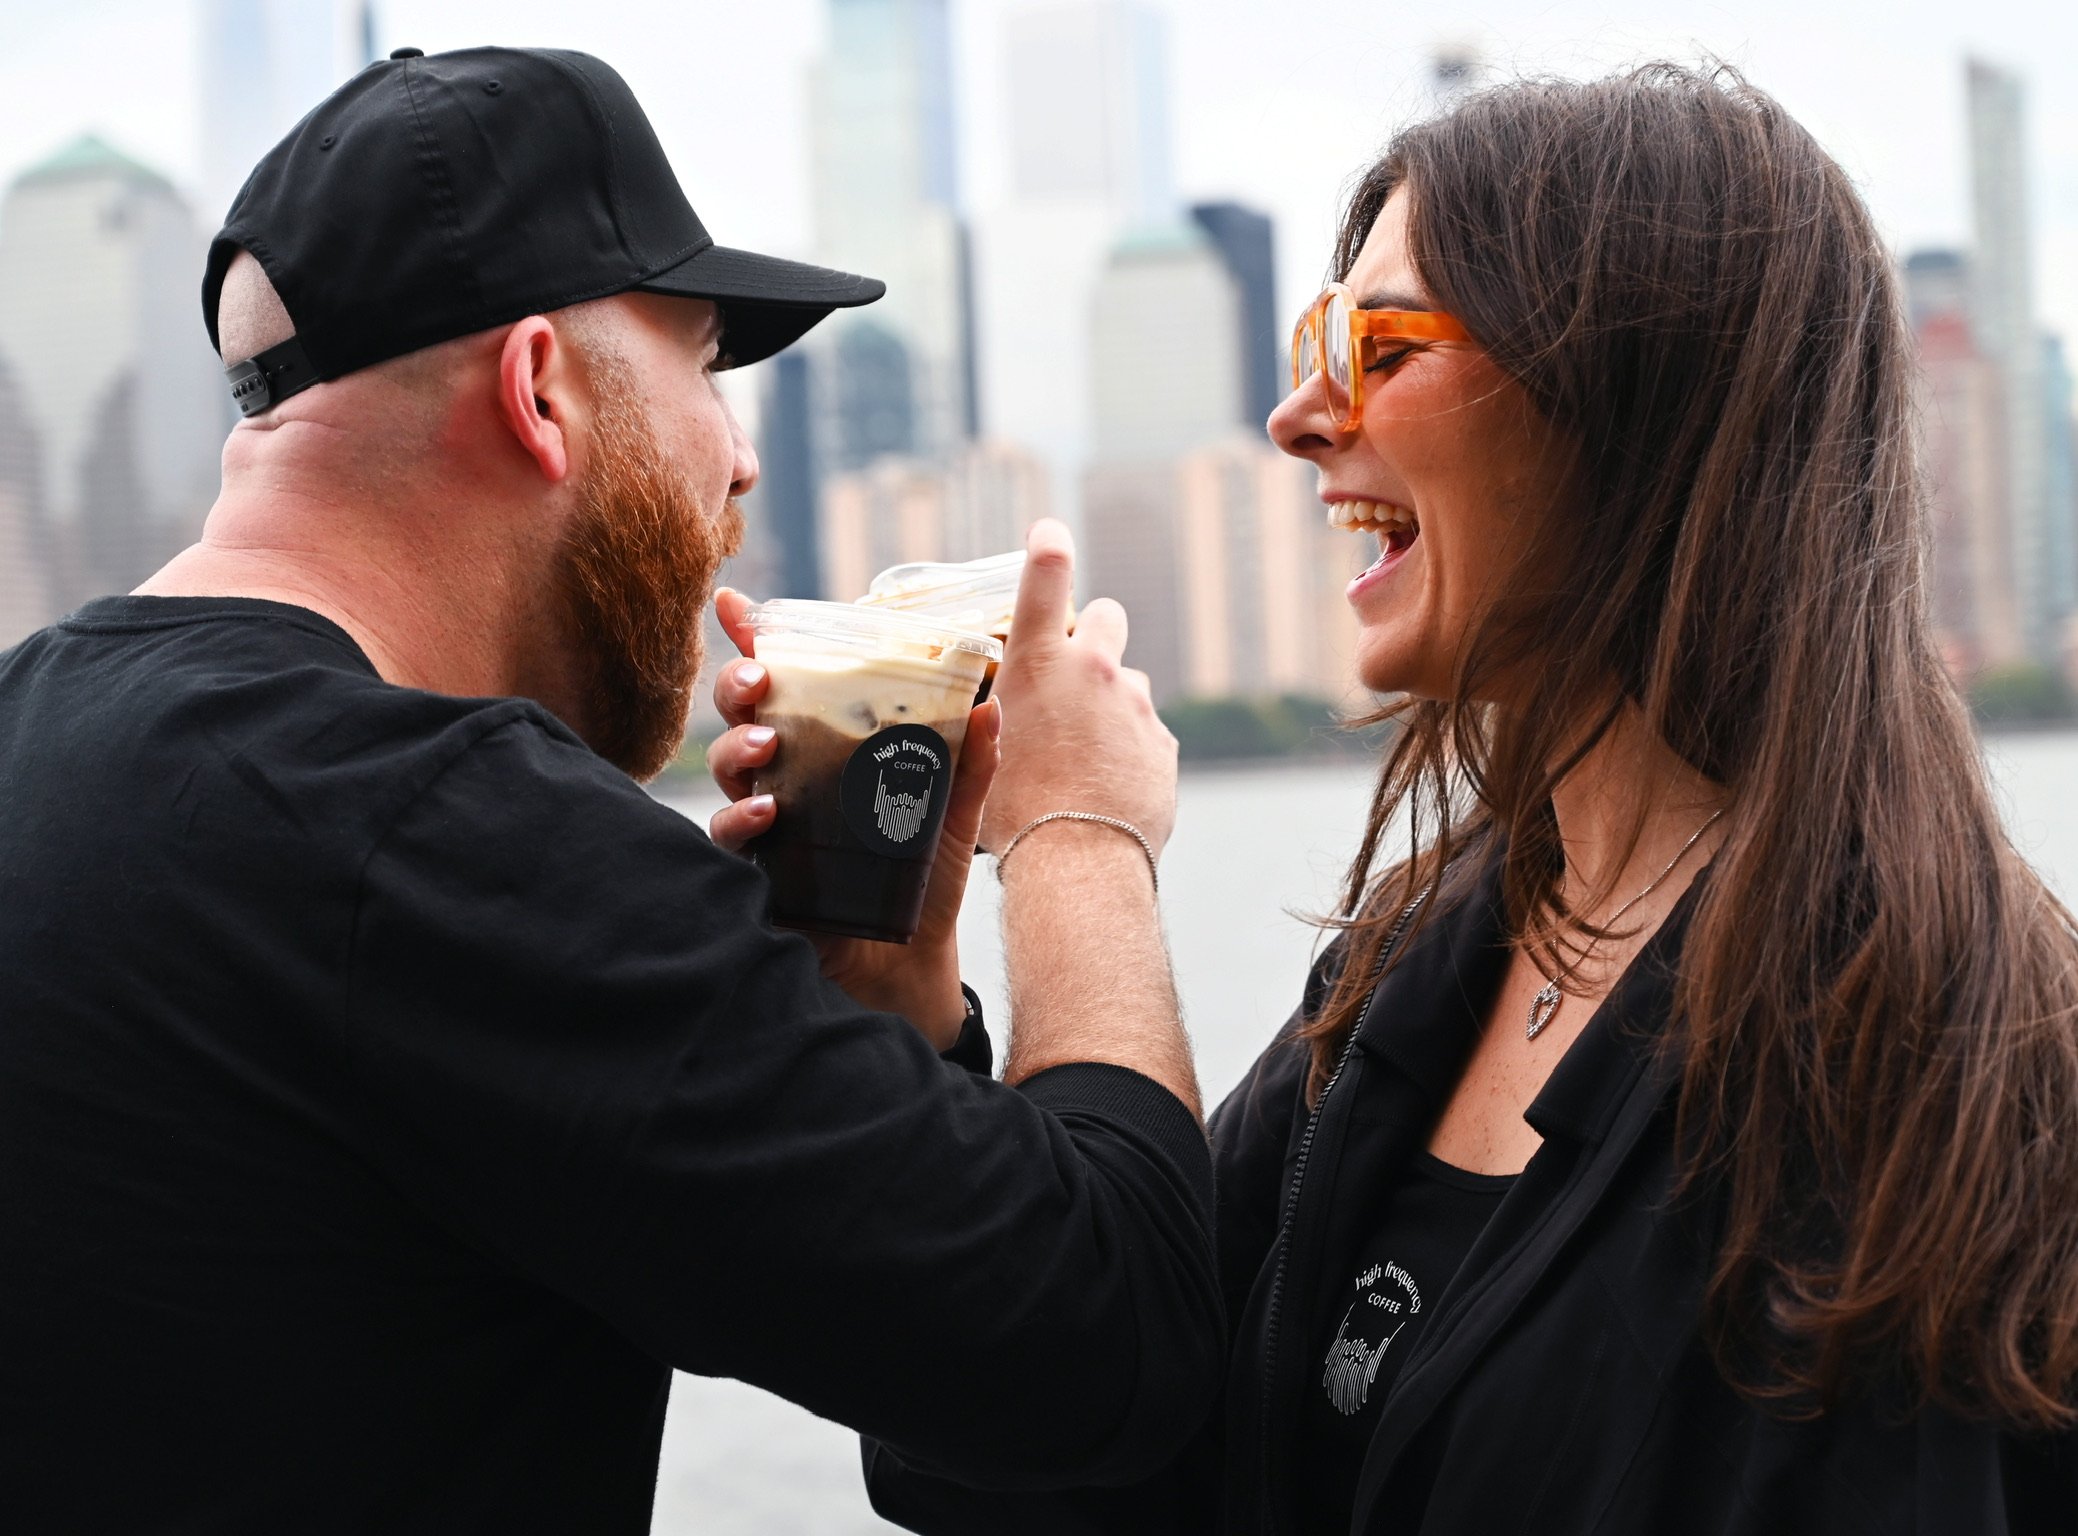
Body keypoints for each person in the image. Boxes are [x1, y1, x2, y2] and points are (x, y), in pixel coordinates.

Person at [803, 62, 2078, 1534]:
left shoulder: (1922, 1075)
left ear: (1627, 392)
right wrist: (904, 1018)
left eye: (1374, 343)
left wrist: (1078, 834)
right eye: (1309, 340)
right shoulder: (1411, 975)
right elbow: (1059, 1440)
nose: (1296, 416)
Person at [0, 45, 1221, 1531]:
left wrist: (889, 1003)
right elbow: (1104, 1350)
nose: (741, 460)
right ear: (538, 390)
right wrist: (1078, 825)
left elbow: (948, 1386)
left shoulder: (35, 733)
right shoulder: (452, 834)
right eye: (703, 362)